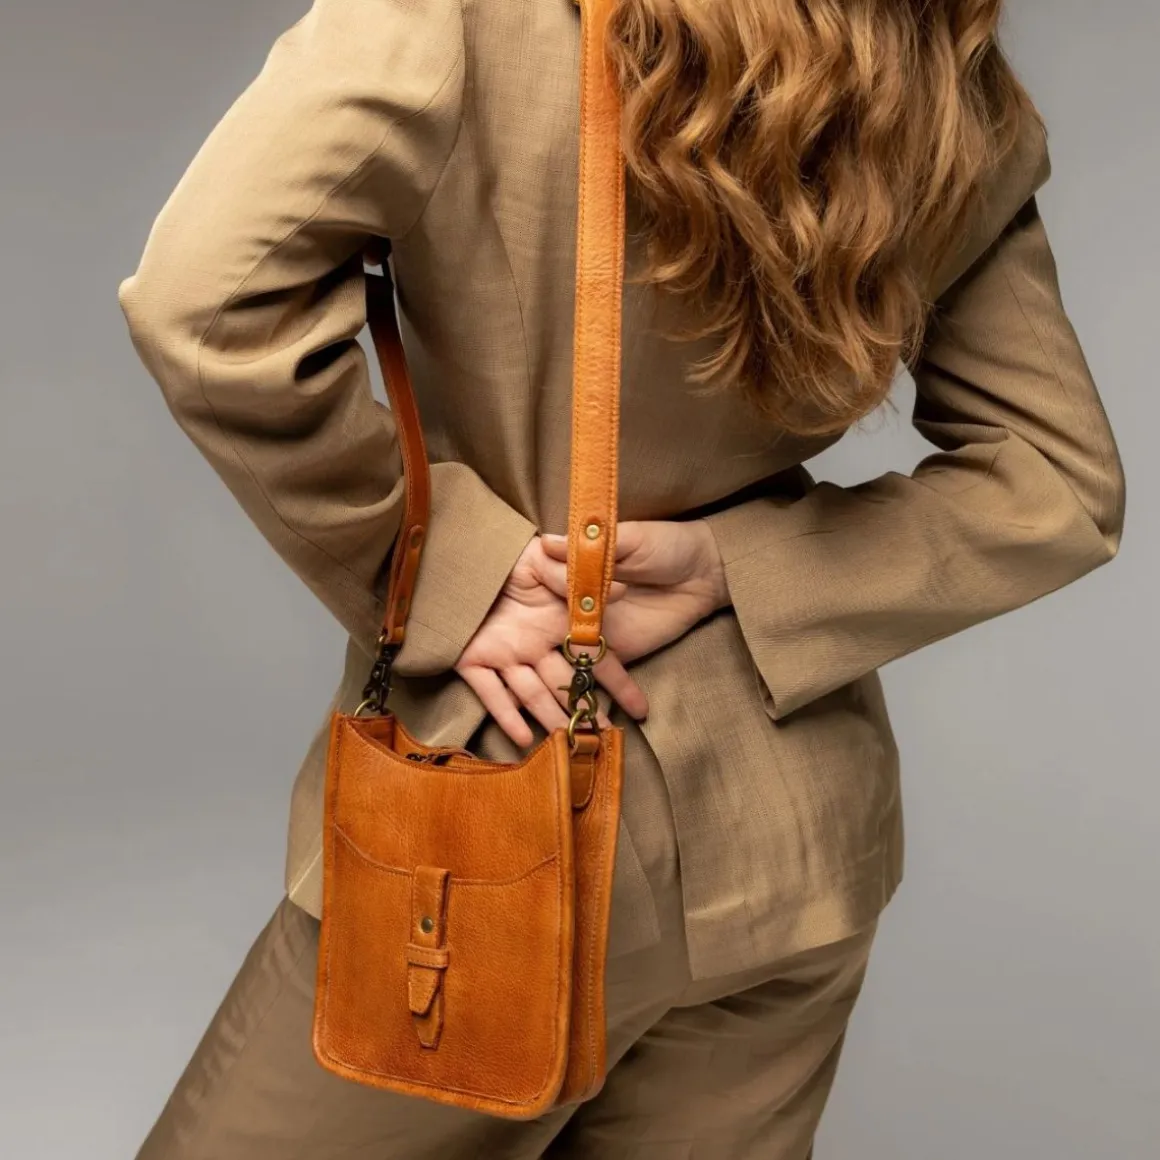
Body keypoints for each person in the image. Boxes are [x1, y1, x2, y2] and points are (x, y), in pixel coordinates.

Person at [117, 0, 1126, 1156]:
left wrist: (450, 571)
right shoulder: (928, 57)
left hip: (502, 805)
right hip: (791, 836)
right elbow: (1056, 476)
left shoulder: (459, 18)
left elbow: (200, 303)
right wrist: (741, 566)